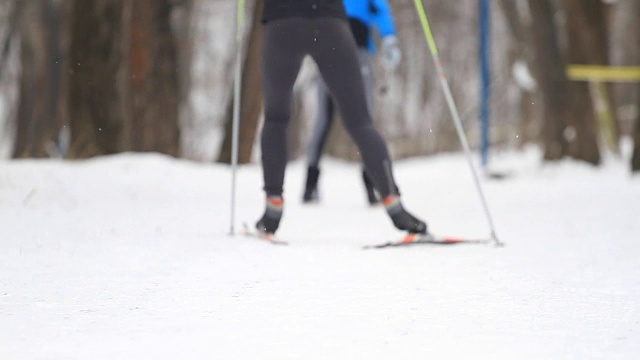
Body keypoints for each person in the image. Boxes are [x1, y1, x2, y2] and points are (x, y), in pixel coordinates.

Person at [256, 0, 426, 236]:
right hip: (329, 23)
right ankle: (395, 206)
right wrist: (389, 35)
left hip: (283, 22)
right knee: (360, 121)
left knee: (276, 117)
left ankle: (272, 208)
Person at [303, 0, 402, 205]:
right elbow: (380, 11)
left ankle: (310, 185)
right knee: (363, 121)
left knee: (325, 120)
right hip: (353, 52)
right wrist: (389, 38)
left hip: (330, 51)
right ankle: (372, 184)